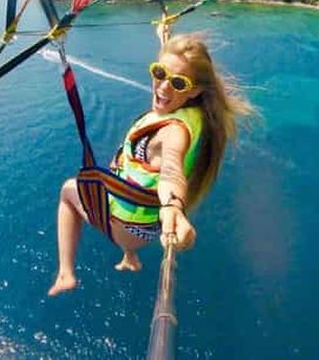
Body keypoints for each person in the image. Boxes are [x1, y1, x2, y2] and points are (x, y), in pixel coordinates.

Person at [48, 33, 253, 296]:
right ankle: (130, 256)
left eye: (177, 83)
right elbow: (173, 70)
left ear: (194, 90)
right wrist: (165, 36)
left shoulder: (173, 132)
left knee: (68, 190)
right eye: (159, 73)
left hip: (126, 228)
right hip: (146, 226)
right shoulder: (196, 113)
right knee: (114, 193)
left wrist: (173, 206)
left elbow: (171, 170)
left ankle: (66, 274)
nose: (164, 87)